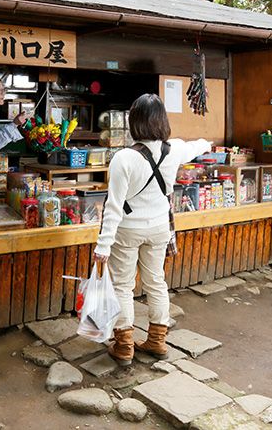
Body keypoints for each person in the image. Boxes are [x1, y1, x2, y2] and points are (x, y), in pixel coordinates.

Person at [93, 94, 211, 366]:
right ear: (162, 120)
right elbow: (197, 146)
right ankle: (157, 341)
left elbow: (113, 206)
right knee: (156, 282)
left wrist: (103, 245)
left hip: (128, 230)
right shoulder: (174, 149)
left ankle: (124, 346)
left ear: (134, 122)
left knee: (122, 286)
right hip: (159, 229)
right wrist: (207, 144)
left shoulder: (124, 158)